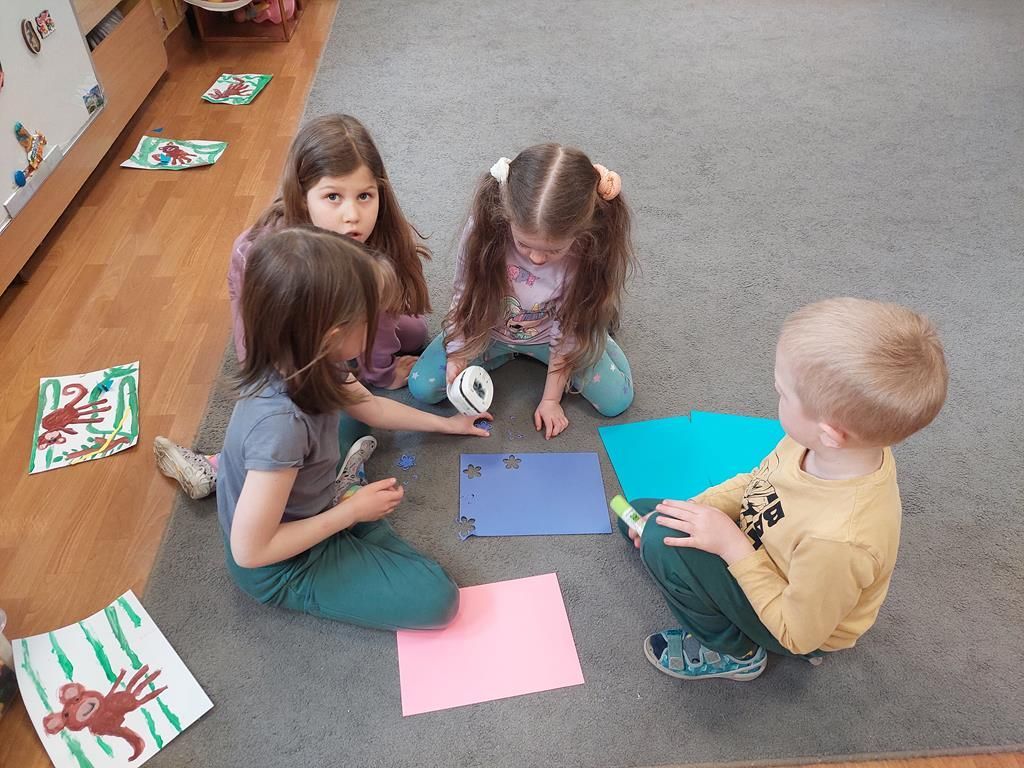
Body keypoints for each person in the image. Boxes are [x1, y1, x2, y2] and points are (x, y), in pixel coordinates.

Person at [624, 297, 948, 680]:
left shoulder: (840, 542)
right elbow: (756, 484)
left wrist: (731, 545)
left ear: (830, 433)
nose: (775, 394)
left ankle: (737, 654)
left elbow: (796, 632)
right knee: (646, 513)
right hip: (763, 550)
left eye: (783, 393)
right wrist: (697, 507)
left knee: (660, 538)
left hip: (792, 620)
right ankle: (680, 543)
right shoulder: (821, 444)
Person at [217, 226, 489, 629]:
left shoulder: (310, 359)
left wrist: (448, 424)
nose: (381, 325)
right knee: (439, 599)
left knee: (352, 415)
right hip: (282, 563)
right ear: (332, 335)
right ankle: (347, 505)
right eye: (371, 320)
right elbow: (250, 552)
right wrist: (350, 513)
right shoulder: (281, 426)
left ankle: (346, 501)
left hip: (307, 497)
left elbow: (371, 407)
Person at [156, 114, 432, 498]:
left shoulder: (367, 235)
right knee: (314, 414)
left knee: (414, 332)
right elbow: (256, 346)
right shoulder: (263, 255)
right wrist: (373, 375)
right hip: (287, 354)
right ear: (302, 195)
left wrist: (379, 369)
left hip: (332, 327)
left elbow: (378, 310)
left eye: (364, 196)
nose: (352, 215)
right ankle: (221, 465)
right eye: (333, 197)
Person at [409, 144, 636, 439]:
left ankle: (598, 334)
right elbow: (464, 296)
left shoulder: (588, 251)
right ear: (506, 218)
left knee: (617, 400)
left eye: (554, 250)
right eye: (524, 245)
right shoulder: (483, 229)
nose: (537, 259)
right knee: (422, 387)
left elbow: (569, 328)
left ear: (581, 234)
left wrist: (551, 398)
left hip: (557, 335)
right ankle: (509, 353)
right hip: (487, 331)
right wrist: (457, 355)